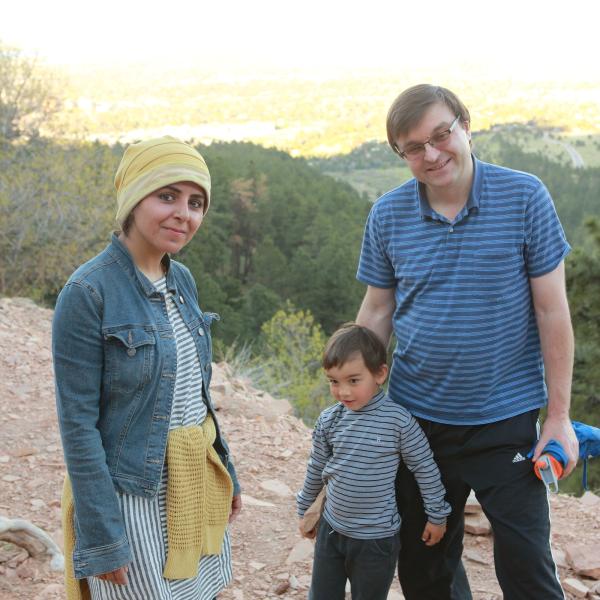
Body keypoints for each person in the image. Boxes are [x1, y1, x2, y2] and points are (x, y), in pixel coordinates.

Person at [356, 84, 577, 600]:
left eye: (440, 135)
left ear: (465, 125)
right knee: (426, 569)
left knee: (528, 570)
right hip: (417, 422)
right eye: (413, 147)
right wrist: (357, 410)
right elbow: (377, 310)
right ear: (401, 154)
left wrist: (560, 417)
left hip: (506, 421)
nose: (431, 154)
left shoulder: (524, 196)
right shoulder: (388, 215)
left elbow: (552, 311)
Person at [53, 136, 242, 600]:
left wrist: (228, 471)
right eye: (167, 196)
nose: (184, 213)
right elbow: (77, 426)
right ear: (133, 199)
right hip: (129, 497)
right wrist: (102, 536)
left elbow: (198, 395)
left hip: (190, 485)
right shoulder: (87, 293)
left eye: (196, 202)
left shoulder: (182, 281)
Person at [296, 323, 451, 600]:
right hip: (331, 530)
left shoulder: (399, 422)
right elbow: (316, 468)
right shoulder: (330, 420)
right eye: (334, 381)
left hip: (376, 540)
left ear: (379, 374)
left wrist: (437, 515)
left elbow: (425, 468)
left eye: (353, 381)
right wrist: (304, 509)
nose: (343, 392)